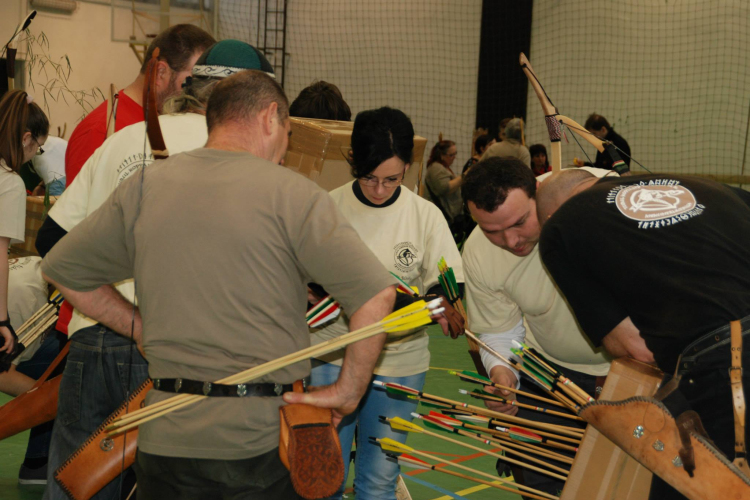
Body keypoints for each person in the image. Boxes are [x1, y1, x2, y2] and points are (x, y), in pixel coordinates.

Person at [36, 40, 279, 500]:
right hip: (182, 353)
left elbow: (51, 242)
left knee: (76, 486)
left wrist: (117, 309)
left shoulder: (122, 140)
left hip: (95, 343)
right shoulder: (238, 155)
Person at [536, 169, 750, 500]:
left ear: (550, 215)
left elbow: (634, 346)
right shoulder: (709, 186)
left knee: (689, 482)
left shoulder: (560, 227)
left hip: (727, 363)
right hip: (729, 354)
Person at [309, 106, 465, 500]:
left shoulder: (425, 216)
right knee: (326, 474)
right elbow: (305, 281)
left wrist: (437, 304)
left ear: (408, 167)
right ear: (353, 165)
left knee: (379, 480)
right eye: (369, 178)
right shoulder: (327, 207)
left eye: (392, 180)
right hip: (332, 357)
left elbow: (446, 287)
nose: (379, 190)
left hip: (400, 363)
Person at [461, 158, 613, 497]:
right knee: (541, 483)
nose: (510, 241)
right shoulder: (478, 252)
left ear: (539, 194)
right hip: (547, 372)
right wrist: (502, 373)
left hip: (634, 375)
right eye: (491, 230)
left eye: (519, 222)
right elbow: (499, 330)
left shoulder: (602, 199)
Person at [64, 24, 215, 187]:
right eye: (192, 81)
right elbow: (84, 210)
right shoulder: (99, 130)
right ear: (160, 73)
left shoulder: (170, 123)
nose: (199, 94)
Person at [423, 138, 466, 233]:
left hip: (447, 217)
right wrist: (464, 176)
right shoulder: (436, 168)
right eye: (451, 155)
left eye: (455, 153)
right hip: (440, 218)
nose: (454, 157)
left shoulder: (444, 167)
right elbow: (444, 188)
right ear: (441, 155)